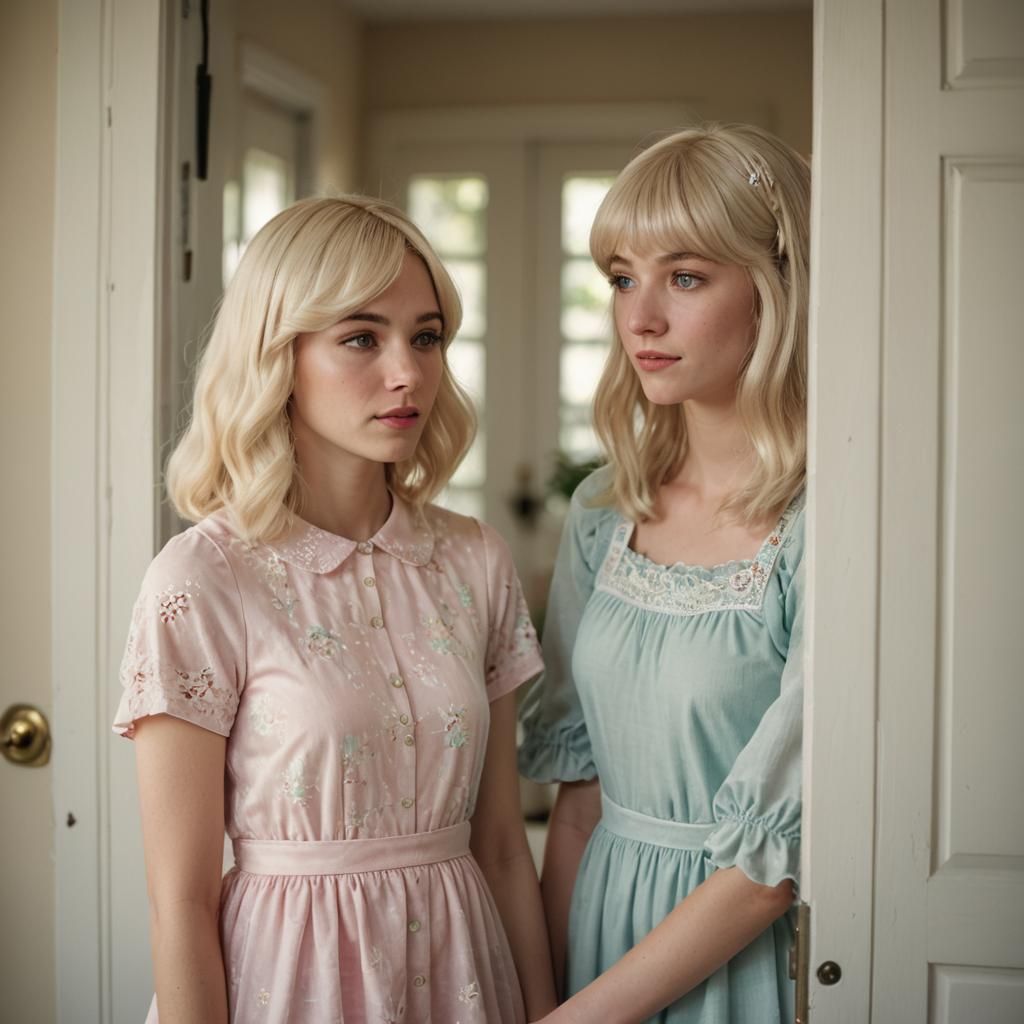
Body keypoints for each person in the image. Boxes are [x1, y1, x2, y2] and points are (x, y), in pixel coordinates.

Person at [114, 195, 557, 1023]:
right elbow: (179, 901)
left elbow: (501, 846)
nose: (408, 372)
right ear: (277, 355)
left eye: (425, 337)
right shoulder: (203, 578)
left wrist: (543, 1015)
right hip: (287, 983)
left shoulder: (474, 559)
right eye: (361, 338)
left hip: (465, 971)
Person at [518, 123, 810, 1023]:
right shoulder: (605, 510)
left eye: (684, 277)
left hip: (743, 964)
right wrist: (556, 992)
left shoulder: (826, 526)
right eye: (621, 278)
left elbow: (771, 867)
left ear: (773, 291)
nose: (639, 317)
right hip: (597, 948)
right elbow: (576, 803)